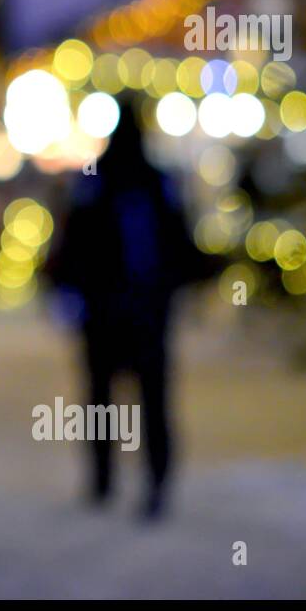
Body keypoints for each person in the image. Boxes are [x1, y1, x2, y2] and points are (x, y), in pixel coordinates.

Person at [48, 102, 210, 519]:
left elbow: (72, 246)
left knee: (123, 401)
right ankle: (129, 482)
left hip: (128, 311)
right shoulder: (140, 182)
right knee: (136, 400)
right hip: (128, 310)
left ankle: (123, 482)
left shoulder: (117, 182)